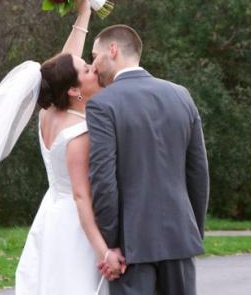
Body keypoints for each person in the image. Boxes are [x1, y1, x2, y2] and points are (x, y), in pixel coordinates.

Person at [87, 25, 209, 295]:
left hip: (132, 247)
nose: (93, 66)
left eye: (95, 56)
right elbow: (198, 173)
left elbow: (103, 181)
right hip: (179, 238)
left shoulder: (102, 104)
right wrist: (191, 231)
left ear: (113, 50)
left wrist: (111, 245)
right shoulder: (181, 95)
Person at [15, 0, 124, 295]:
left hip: (50, 213)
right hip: (74, 226)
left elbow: (62, 65)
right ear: (74, 90)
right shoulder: (79, 132)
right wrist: (104, 252)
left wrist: (84, 14)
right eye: (88, 70)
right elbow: (81, 196)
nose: (94, 70)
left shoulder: (49, 112)